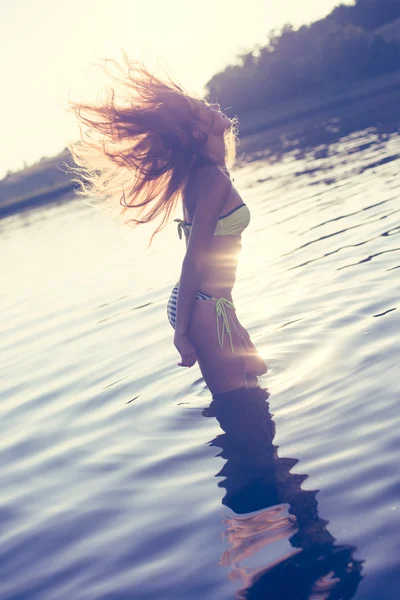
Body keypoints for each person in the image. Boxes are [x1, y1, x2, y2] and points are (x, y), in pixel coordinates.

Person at [66, 52, 267, 396]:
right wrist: (182, 332)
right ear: (197, 131)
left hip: (216, 302)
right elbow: (194, 258)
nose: (214, 106)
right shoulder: (213, 178)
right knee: (239, 407)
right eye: (205, 109)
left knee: (256, 380)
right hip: (202, 304)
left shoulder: (206, 175)